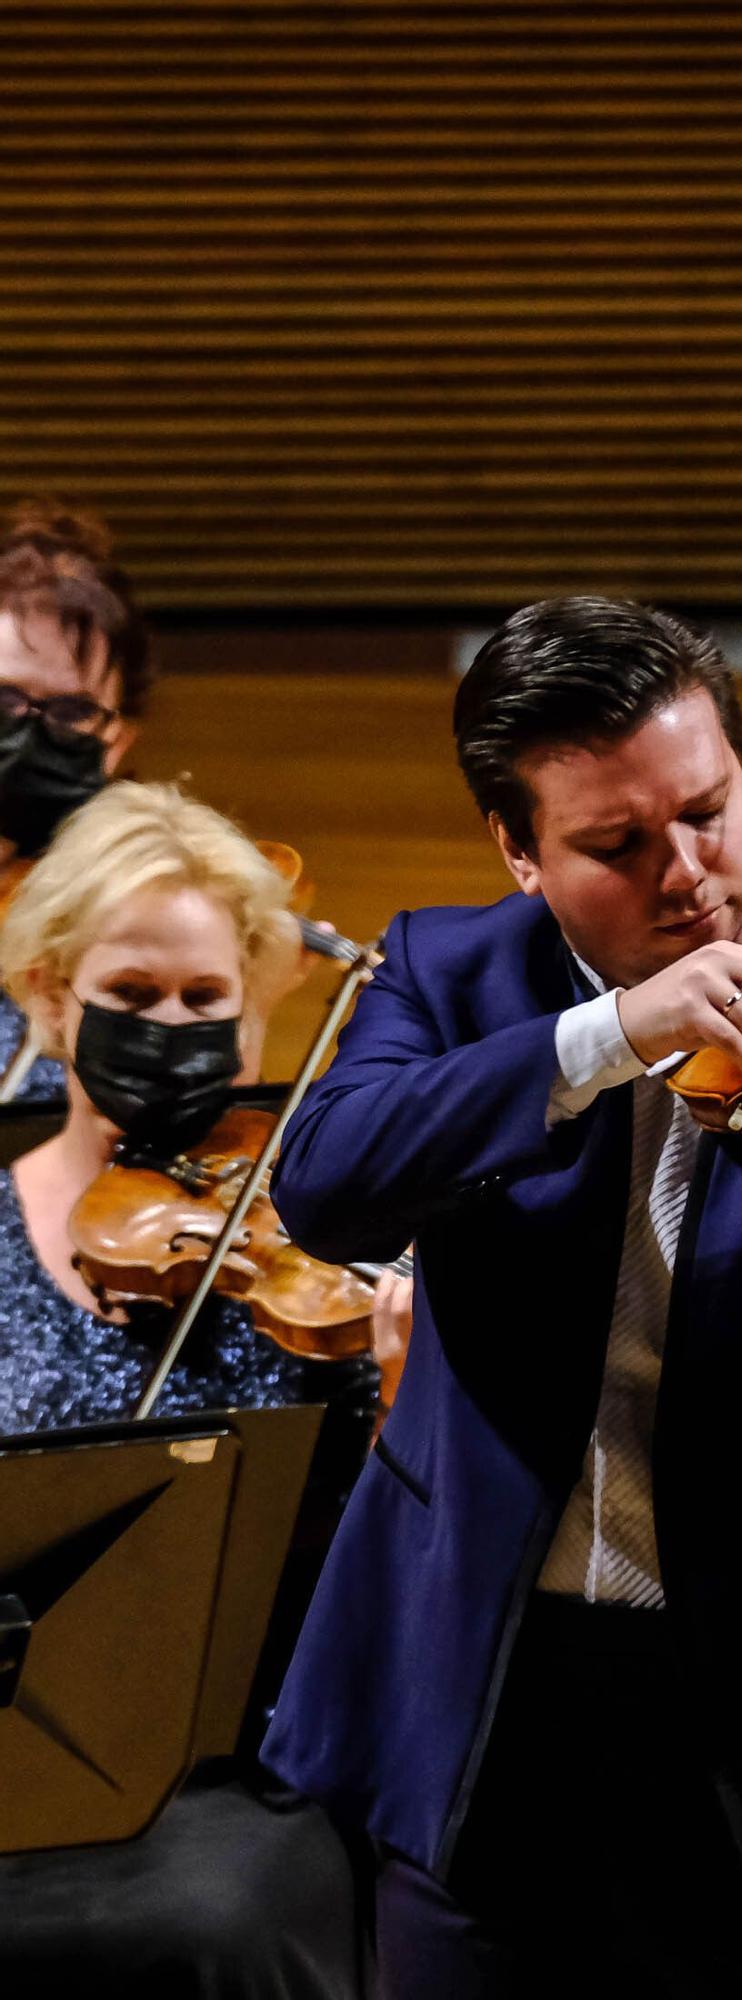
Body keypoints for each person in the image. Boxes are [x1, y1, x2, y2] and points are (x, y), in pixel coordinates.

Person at [262, 594, 742, 2000]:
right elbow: (327, 1184)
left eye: (710, 811)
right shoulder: (449, 978)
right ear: (517, 851)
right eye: (616, 848)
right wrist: (613, 1030)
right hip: (498, 1701)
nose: (690, 876)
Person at [0, 779, 409, 1997]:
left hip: (248, 1761)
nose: (169, 1027)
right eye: (130, 996)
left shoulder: (312, 1238)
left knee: (215, 1910)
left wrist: (406, 1390)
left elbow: (388, 1554)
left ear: (252, 1015)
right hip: (21, 1747)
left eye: (202, 1000)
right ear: (49, 992)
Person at [0, 498, 153, 1100]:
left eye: (71, 712)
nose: (27, 729)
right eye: (3, 700)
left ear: (117, 739)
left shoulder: (136, 916)